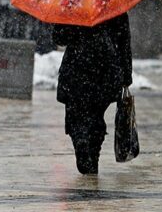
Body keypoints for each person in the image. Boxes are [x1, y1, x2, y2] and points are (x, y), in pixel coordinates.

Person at [53, 13, 132, 175]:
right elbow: (124, 40)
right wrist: (126, 74)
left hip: (77, 64)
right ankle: (92, 153)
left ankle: (81, 140)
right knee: (96, 113)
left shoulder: (71, 2)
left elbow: (59, 37)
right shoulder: (112, 2)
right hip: (105, 67)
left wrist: (75, 27)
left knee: (75, 113)